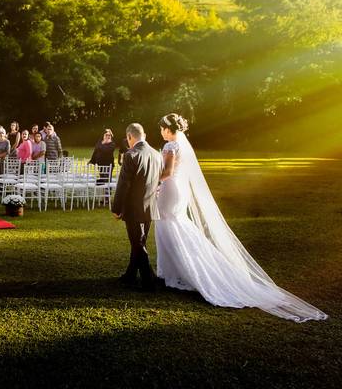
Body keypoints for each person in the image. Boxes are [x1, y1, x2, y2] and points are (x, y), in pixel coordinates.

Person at [154, 113, 326, 322]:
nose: (161, 132)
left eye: (162, 128)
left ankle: (177, 272)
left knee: (168, 225)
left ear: (168, 129)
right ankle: (178, 271)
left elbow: (168, 172)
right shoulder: (182, 145)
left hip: (170, 189)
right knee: (177, 225)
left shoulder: (170, 146)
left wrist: (152, 179)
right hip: (180, 191)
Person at [111, 123, 163, 292]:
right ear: (144, 135)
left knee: (138, 243)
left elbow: (123, 185)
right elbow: (159, 181)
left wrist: (116, 208)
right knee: (139, 242)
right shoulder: (157, 155)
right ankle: (130, 275)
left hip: (133, 208)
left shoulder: (130, 155)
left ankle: (149, 280)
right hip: (150, 206)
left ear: (129, 137)